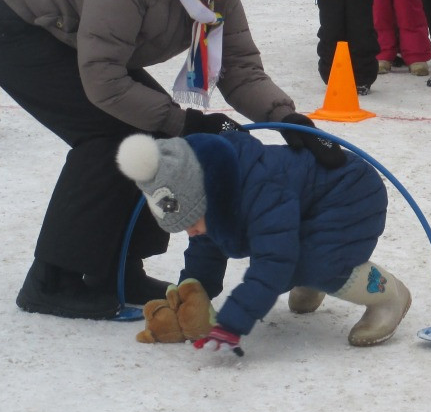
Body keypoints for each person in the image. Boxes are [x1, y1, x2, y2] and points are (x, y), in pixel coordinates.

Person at [0, 0, 339, 321]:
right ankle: (53, 280)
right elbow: (104, 81)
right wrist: (186, 123)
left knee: (148, 127)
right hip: (18, 21)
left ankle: (120, 269)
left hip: (75, 30)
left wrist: (289, 120)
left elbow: (239, 66)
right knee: (112, 134)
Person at [115, 131, 411, 353]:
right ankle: (311, 280)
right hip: (309, 203)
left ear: (206, 199)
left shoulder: (260, 190)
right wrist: (188, 296)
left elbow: (273, 261)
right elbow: (205, 252)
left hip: (350, 194)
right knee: (296, 252)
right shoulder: (212, 196)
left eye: (191, 223)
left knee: (315, 261)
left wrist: (233, 320)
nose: (191, 232)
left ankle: (388, 297)